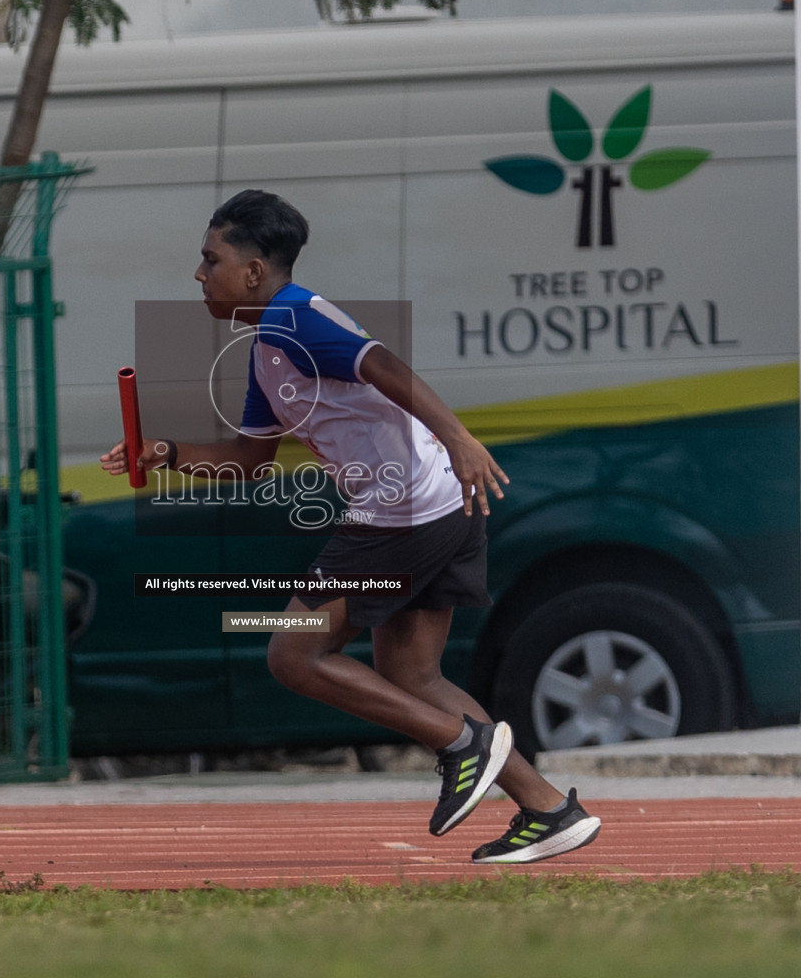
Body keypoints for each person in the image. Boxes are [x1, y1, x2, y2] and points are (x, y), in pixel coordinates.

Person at [101, 189, 600, 864]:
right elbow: (250, 461)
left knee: (294, 653)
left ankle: (463, 745)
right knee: (412, 673)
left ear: (253, 271)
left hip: (402, 517)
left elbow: (381, 363)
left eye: (209, 258)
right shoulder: (268, 350)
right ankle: (548, 808)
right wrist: (167, 455)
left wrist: (457, 435)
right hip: (436, 508)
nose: (198, 275)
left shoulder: (293, 316)